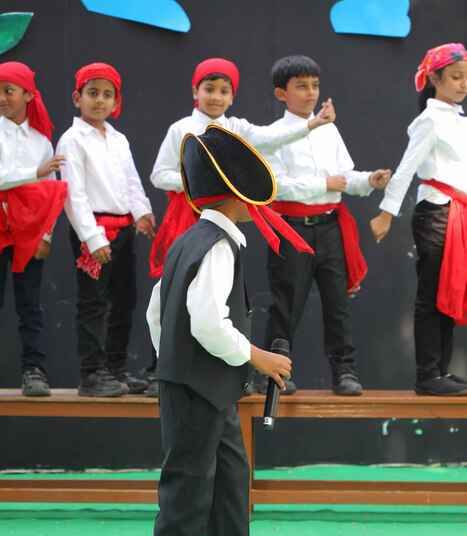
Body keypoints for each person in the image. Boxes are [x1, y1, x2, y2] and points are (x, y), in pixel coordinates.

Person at [140, 124, 314, 536]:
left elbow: (156, 312)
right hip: (199, 391)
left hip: (205, 390)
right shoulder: (216, 246)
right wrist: (258, 357)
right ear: (239, 196)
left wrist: (176, 361)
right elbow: (208, 325)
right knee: (187, 496)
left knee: (230, 484)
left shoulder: (190, 239)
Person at [145, 57, 335, 397]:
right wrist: (201, 182)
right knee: (177, 292)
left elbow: (271, 138)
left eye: (224, 91)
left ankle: (222, 375)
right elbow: (159, 174)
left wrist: (310, 125)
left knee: (218, 300)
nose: (216, 97)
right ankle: (161, 369)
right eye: (209, 89)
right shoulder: (180, 129)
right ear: (195, 91)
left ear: (233, 96)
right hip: (188, 218)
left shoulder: (236, 128)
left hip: (221, 218)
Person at [250, 55, 391, 396]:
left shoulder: (329, 130)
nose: (310, 93)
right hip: (291, 228)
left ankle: (345, 372)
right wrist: (324, 183)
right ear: (281, 94)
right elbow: (275, 187)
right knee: (286, 304)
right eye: (301, 86)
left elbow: (344, 178)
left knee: (337, 304)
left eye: (314, 85)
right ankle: (274, 374)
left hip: (330, 227)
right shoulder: (274, 135)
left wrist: (368, 181)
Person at [370, 43, 467, 396]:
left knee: (449, 291)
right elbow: (406, 169)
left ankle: (441, 370)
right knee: (432, 294)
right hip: (437, 213)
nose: (462, 84)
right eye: (455, 77)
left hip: (457, 212)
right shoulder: (429, 120)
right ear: (435, 80)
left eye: (465, 77)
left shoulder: (458, 120)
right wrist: (386, 214)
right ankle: (428, 374)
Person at [56, 63, 156, 397]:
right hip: (94, 231)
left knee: (124, 300)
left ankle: (116, 368)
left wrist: (142, 212)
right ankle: (91, 374)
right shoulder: (72, 140)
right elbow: (73, 194)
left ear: (116, 101)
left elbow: (131, 181)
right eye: (92, 93)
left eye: (107, 94)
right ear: (77, 98)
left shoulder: (118, 139)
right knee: (94, 303)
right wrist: (91, 237)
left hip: (123, 229)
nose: (100, 101)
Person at [0, 61, 67, 396]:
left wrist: (46, 235)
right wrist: (33, 173)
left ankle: (34, 370)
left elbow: (50, 192)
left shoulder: (42, 141)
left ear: (28, 94)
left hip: (28, 233)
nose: (2, 98)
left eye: (8, 91)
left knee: (30, 304)